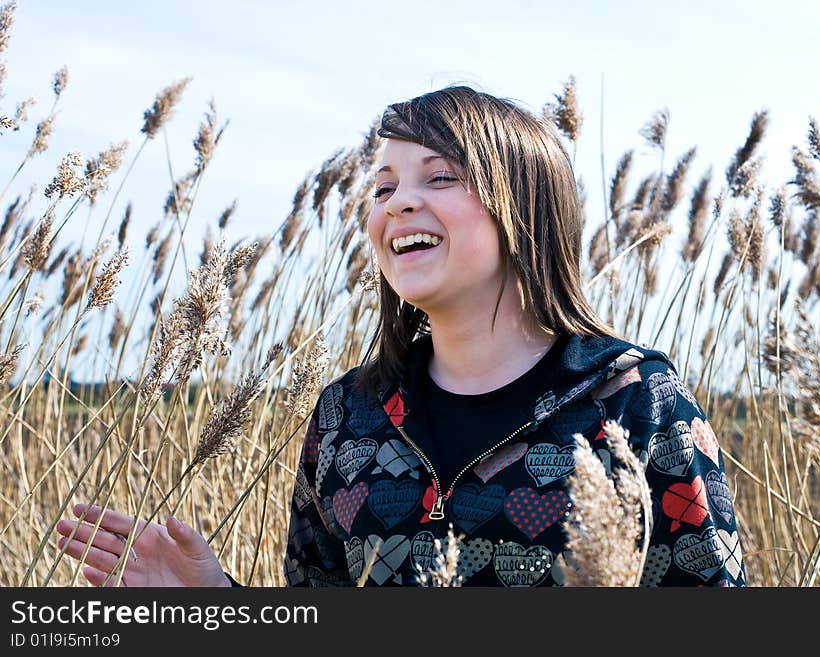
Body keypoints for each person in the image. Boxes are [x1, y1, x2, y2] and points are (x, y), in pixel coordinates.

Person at [57, 85, 746, 587]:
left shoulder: (635, 400)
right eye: (383, 187)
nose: (399, 202)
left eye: (440, 176)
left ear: (526, 208)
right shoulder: (346, 418)